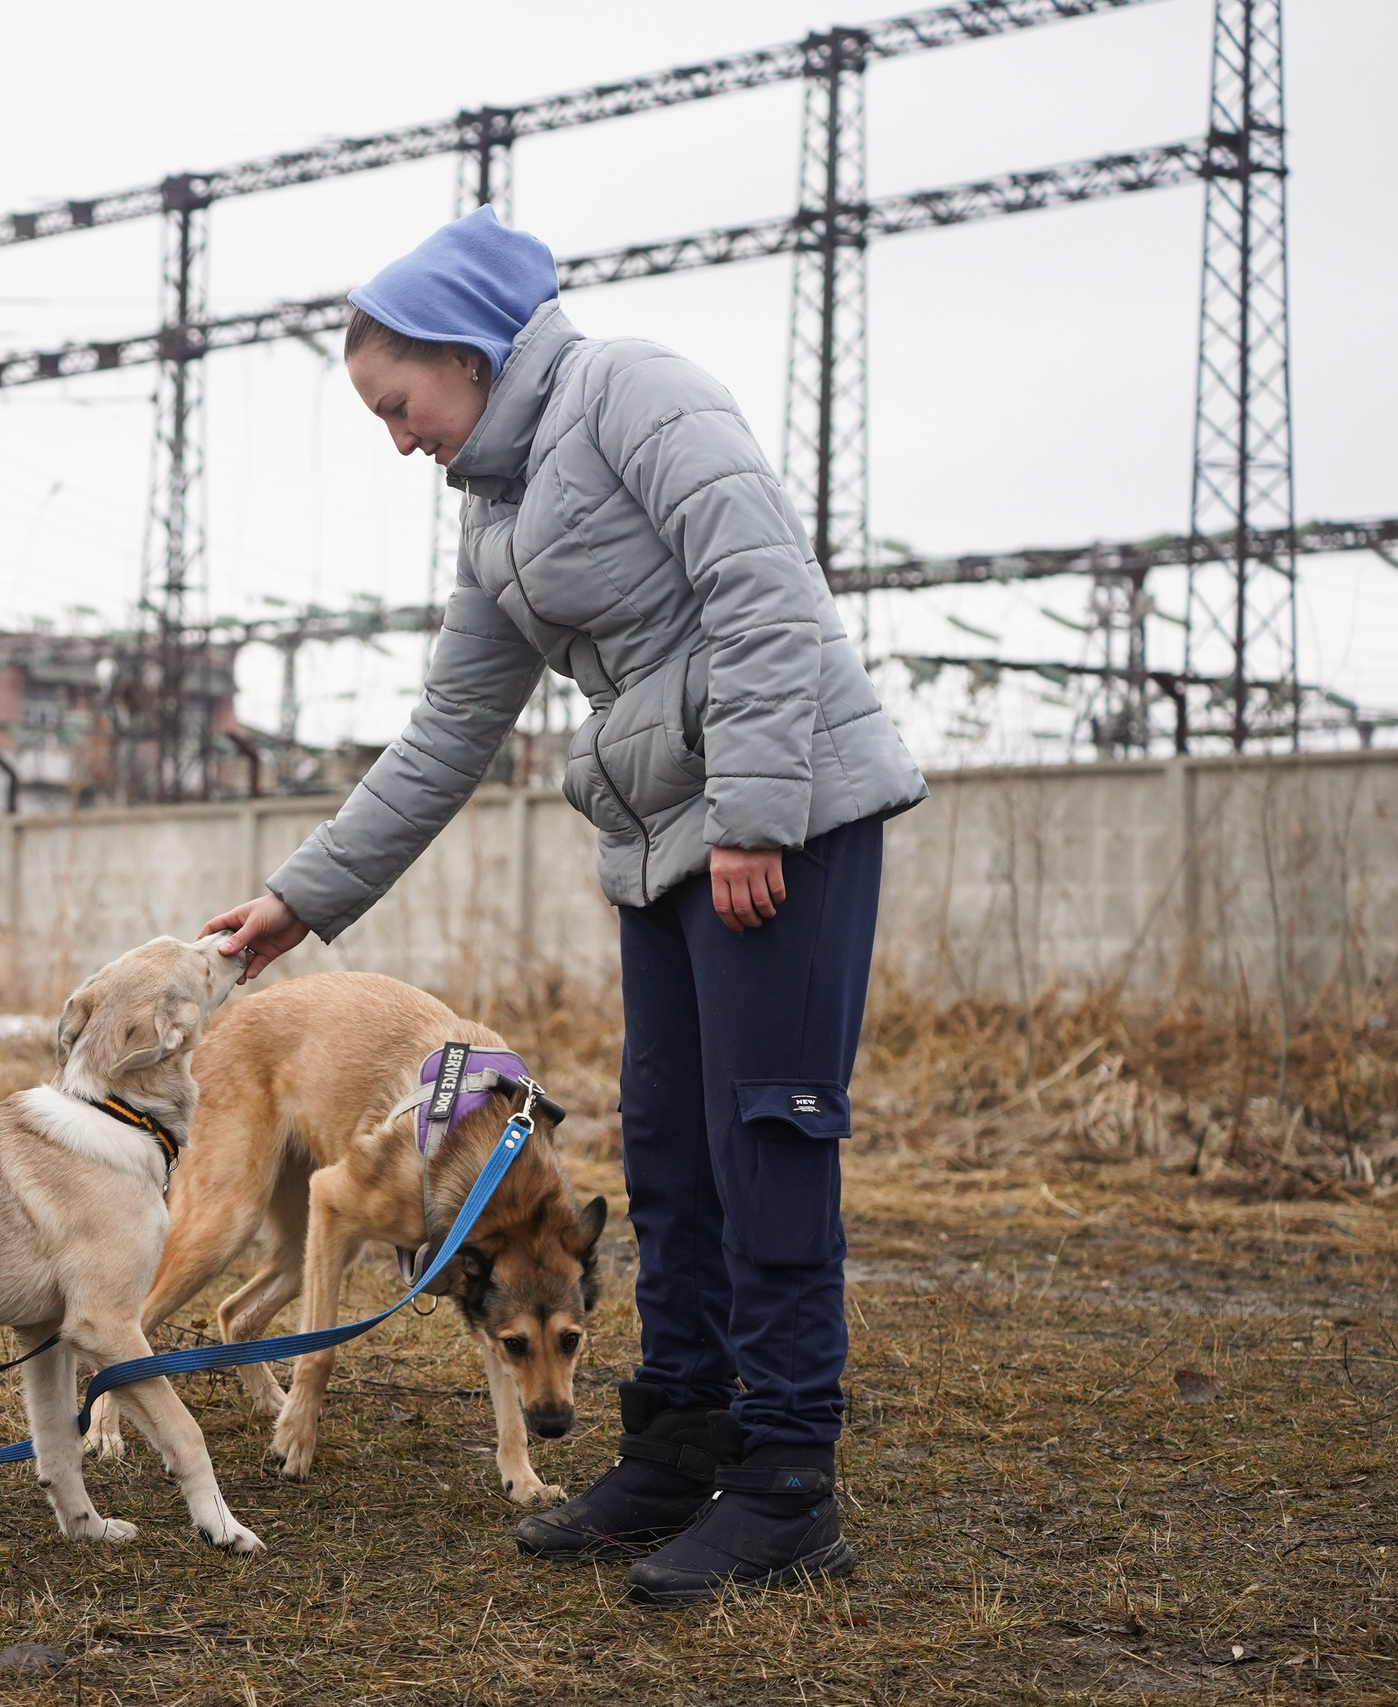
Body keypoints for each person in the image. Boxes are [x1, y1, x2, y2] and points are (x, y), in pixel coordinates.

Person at [202, 207, 929, 1605]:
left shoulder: (632, 391)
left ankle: (785, 1483)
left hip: (782, 817)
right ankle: (681, 1441)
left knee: (766, 1142)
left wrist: (759, 810)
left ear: (465, 358)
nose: (398, 437)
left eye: (398, 403)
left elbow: (764, 590)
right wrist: (304, 899)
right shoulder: (495, 518)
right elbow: (445, 735)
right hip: (661, 846)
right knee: (665, 1155)